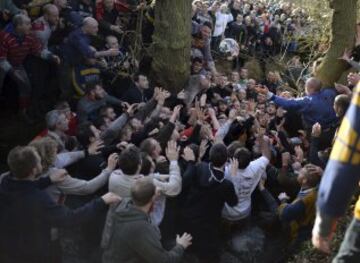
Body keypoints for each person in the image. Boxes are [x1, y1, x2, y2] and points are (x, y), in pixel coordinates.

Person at [0, 145, 121, 263]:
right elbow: (70, 218)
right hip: (33, 251)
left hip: (7, 245)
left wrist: (49, 180)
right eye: (39, 162)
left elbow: (22, 188)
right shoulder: (38, 199)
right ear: (34, 170)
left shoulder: (4, 180)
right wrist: (101, 201)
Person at [102, 177, 192, 263]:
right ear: (153, 198)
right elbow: (163, 261)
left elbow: (140, 191)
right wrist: (181, 246)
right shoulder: (141, 228)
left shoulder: (122, 206)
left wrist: (152, 191)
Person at [180, 143, 238, 262]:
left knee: (189, 248)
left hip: (189, 217)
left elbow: (188, 178)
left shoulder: (200, 167)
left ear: (210, 156)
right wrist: (233, 177)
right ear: (226, 161)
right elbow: (233, 202)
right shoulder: (226, 184)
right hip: (208, 225)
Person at [0, 14, 59, 122]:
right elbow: (2, 60)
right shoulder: (4, 36)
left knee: (26, 87)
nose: (30, 26)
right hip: (3, 64)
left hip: (17, 64)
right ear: (18, 26)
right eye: (27, 24)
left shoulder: (30, 36)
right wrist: (13, 72)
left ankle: (23, 112)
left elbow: (38, 51)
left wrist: (51, 56)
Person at [222, 135, 271, 223]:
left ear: (234, 160)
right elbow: (267, 156)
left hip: (228, 213)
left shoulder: (227, 171)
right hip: (245, 210)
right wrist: (261, 139)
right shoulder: (255, 167)